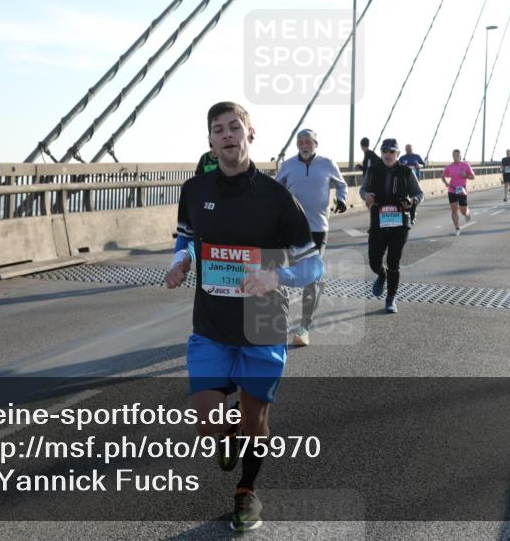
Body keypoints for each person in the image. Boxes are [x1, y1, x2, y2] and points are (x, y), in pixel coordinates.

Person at [165, 102, 324, 532]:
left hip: (263, 325)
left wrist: (277, 276)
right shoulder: (195, 191)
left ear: (250, 134)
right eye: (219, 130)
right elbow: (186, 238)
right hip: (212, 326)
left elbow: (315, 266)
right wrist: (182, 262)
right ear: (211, 142)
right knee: (208, 425)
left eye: (235, 127)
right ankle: (228, 429)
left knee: (257, 424)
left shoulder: (277, 198)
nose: (228, 135)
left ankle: (246, 492)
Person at [275, 128, 347, 347]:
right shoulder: (288, 165)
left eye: (308, 142)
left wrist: (341, 199)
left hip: (317, 228)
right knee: (293, 275)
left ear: (316, 143)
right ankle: (279, 316)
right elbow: (275, 188)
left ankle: (304, 327)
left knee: (312, 279)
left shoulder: (327, 163)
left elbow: (341, 184)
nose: (304, 146)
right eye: (300, 142)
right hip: (292, 229)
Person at [360, 138, 423, 313]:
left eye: (391, 151)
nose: (387, 154)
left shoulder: (405, 172)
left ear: (398, 154)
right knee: (374, 261)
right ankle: (381, 274)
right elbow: (362, 189)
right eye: (384, 151)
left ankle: (390, 299)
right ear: (381, 153)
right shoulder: (373, 170)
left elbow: (419, 193)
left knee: (394, 261)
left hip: (400, 222)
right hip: (378, 221)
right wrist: (366, 196)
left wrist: (412, 200)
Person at [442, 148, 475, 236]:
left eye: (457, 155)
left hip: (462, 190)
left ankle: (467, 213)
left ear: (460, 156)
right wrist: (446, 183)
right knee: (454, 210)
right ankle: (457, 228)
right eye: (453, 156)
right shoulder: (450, 166)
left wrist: (466, 176)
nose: (455, 157)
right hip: (452, 190)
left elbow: (473, 177)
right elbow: (443, 176)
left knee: (463, 211)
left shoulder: (465, 165)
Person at [398, 143, 425, 224]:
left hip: (415, 179)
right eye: (406, 149)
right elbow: (396, 166)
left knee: (415, 197)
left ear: (412, 149)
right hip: (404, 181)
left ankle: (412, 213)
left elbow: (424, 164)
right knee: (407, 198)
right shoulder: (402, 158)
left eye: (409, 148)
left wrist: (419, 166)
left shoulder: (417, 156)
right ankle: (409, 212)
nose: (408, 150)